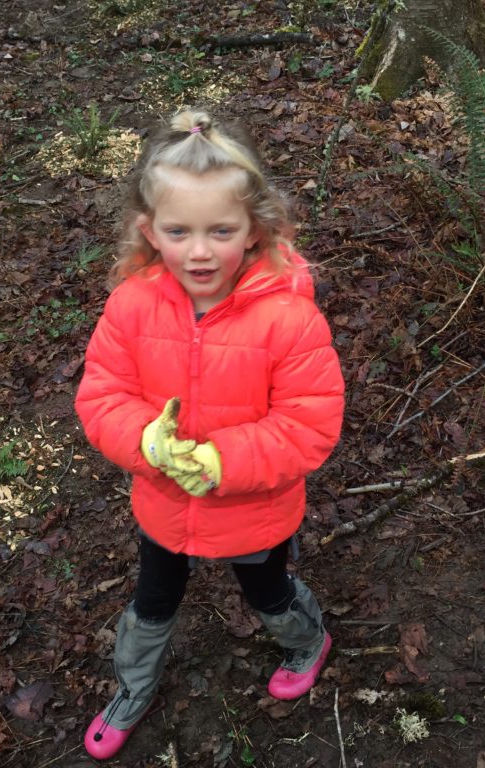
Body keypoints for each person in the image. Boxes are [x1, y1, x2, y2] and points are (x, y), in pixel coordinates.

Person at [74, 107, 345, 761]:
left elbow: (309, 424)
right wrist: (148, 442)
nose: (200, 251)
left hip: (255, 509)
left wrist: (222, 459)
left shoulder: (289, 320)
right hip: (164, 504)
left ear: (254, 230)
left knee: (268, 591)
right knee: (152, 600)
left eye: (220, 231)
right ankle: (132, 689)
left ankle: (308, 642)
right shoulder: (131, 306)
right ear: (150, 231)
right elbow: (102, 395)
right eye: (180, 231)